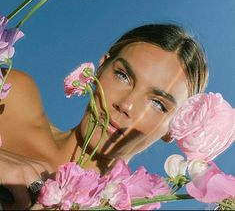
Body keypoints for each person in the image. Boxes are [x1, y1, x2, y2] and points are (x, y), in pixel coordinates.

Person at [0, 23, 208, 210]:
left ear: (174, 129)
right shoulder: (11, 97)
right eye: (123, 76)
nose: (126, 105)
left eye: (158, 104)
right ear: (100, 68)